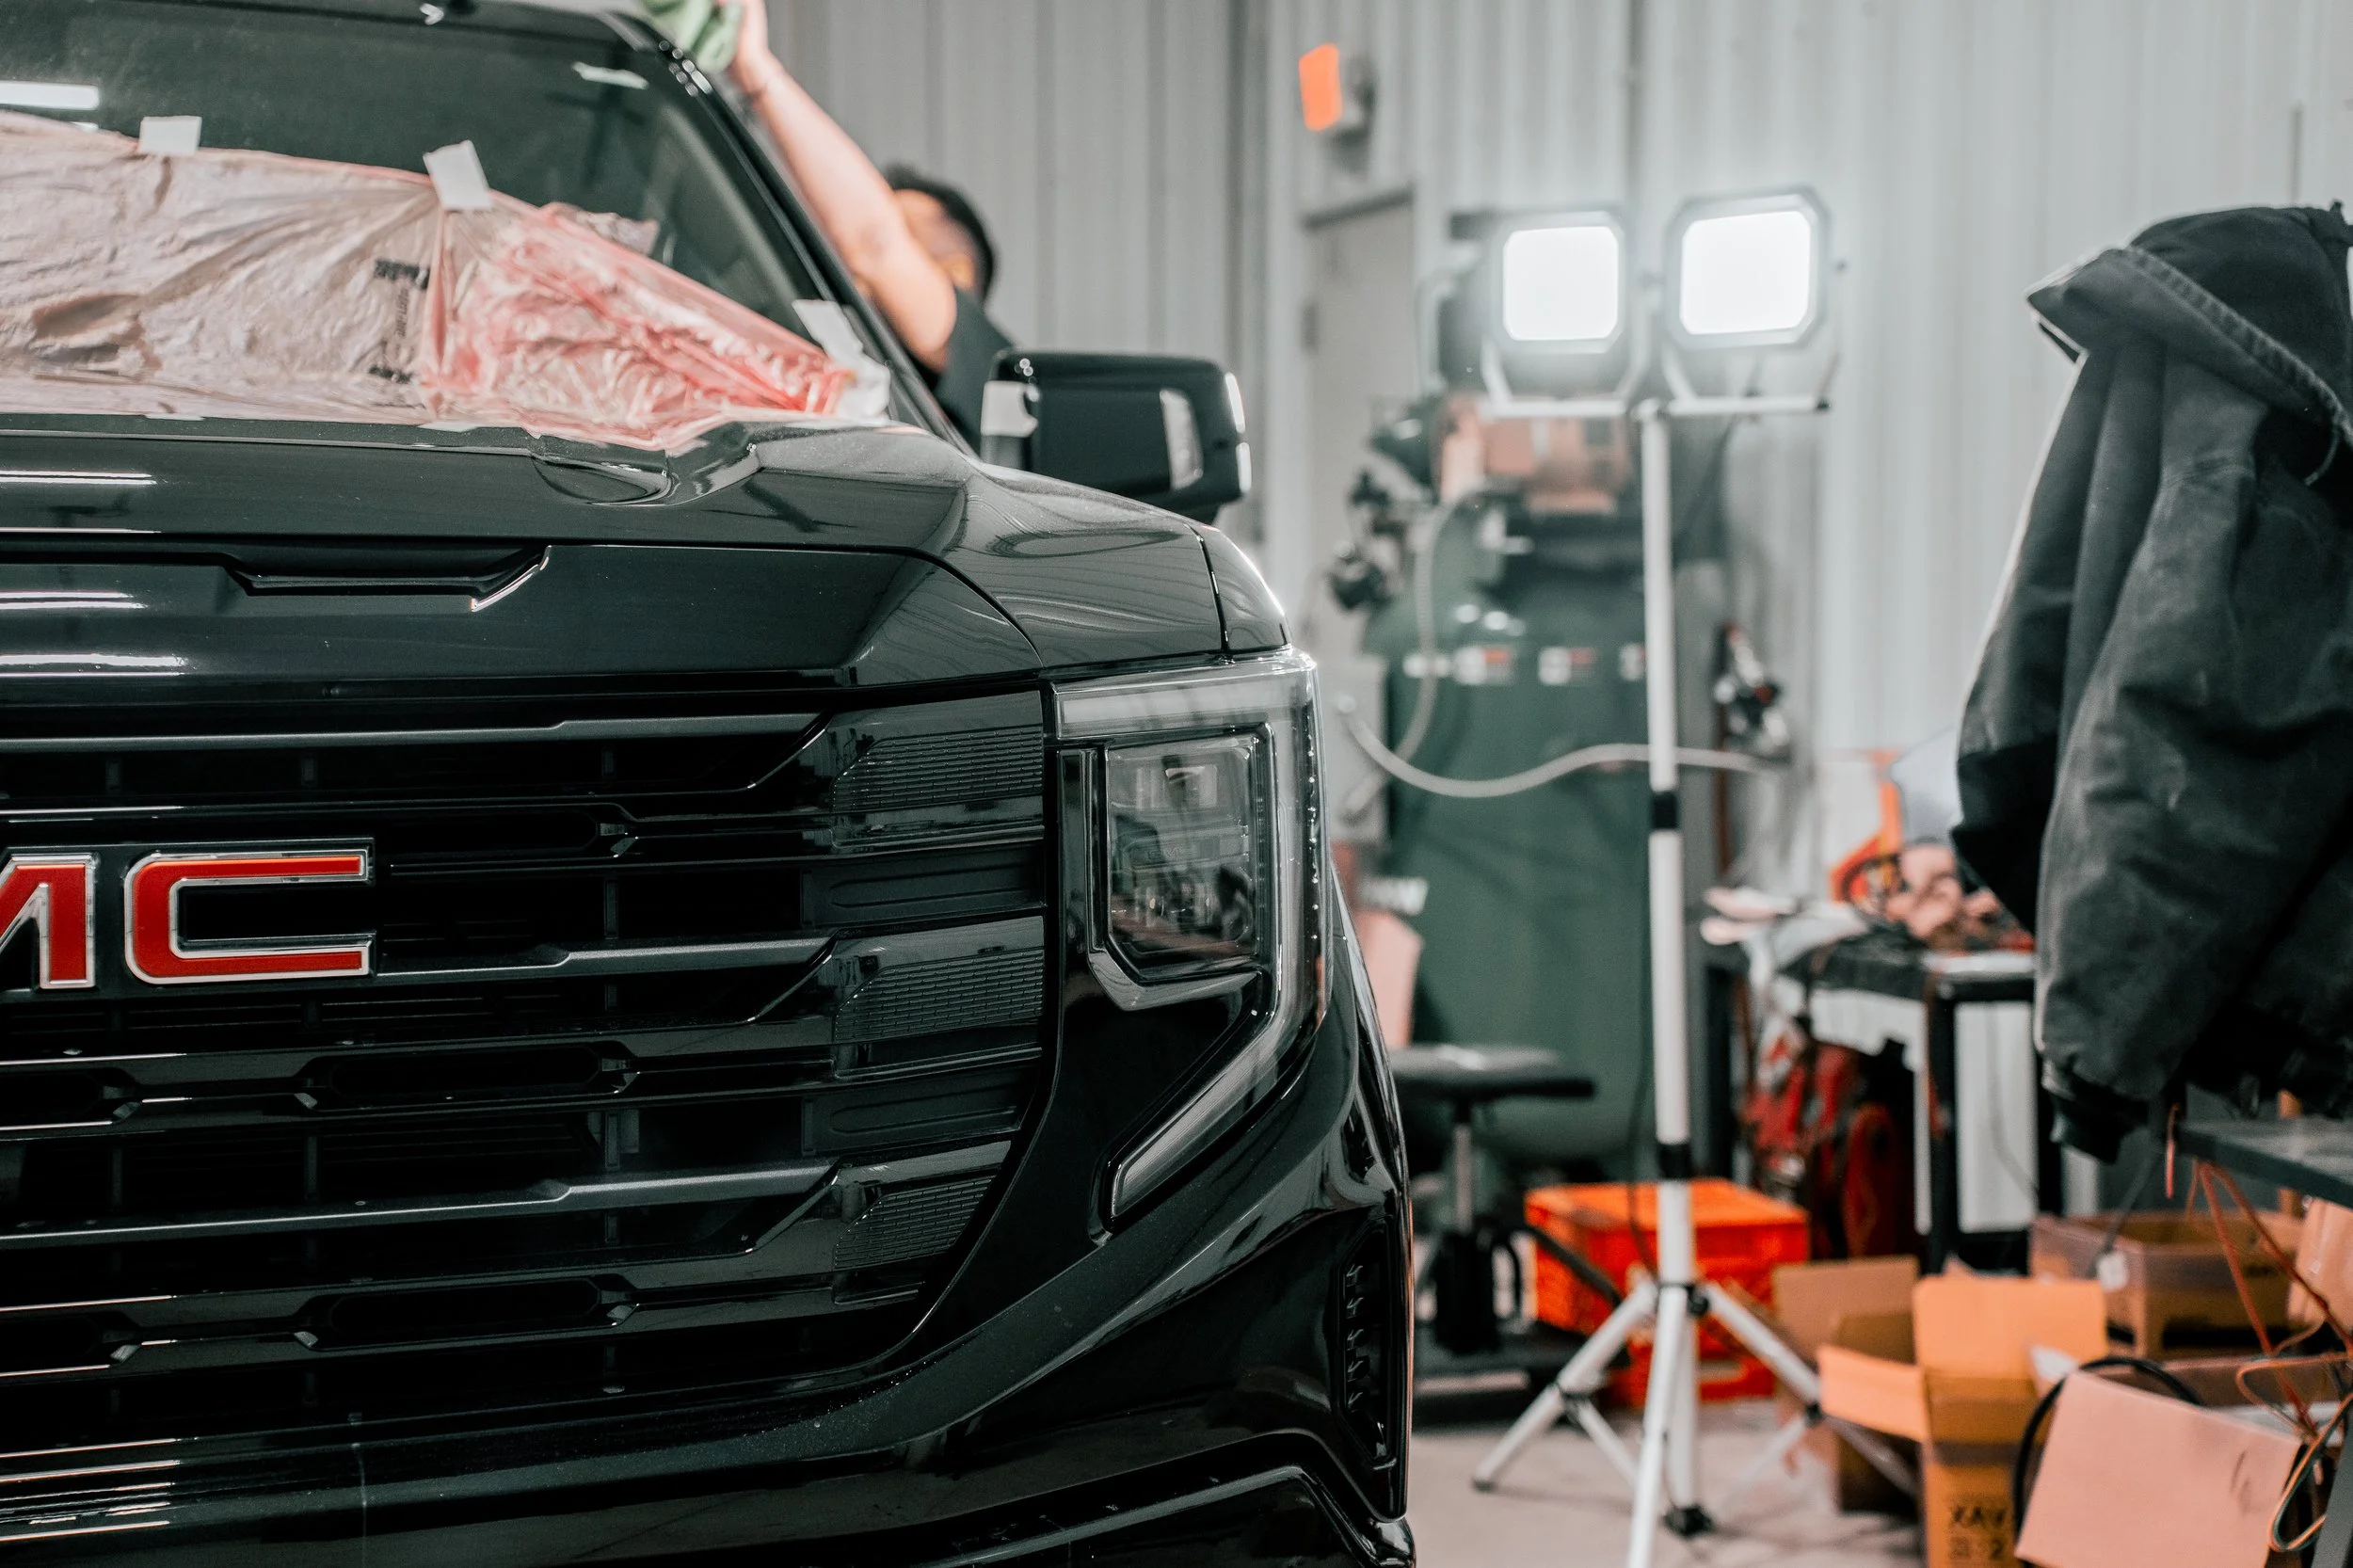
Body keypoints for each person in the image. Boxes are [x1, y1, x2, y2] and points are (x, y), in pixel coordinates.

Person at [719, 0, 1013, 441]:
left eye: (907, 237)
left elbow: (873, 244)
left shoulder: (988, 367)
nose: (841, 246)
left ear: (956, 273)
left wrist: (755, 70)